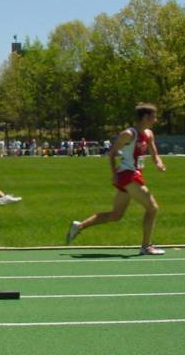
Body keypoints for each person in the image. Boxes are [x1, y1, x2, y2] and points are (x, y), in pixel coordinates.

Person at [66, 103, 166, 255]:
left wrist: (159, 163)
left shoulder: (149, 134)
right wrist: (114, 173)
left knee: (116, 215)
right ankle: (146, 246)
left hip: (134, 174)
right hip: (128, 175)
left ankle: (79, 226)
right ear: (145, 117)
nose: (156, 120)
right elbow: (112, 153)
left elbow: (154, 153)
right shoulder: (128, 134)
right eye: (154, 116)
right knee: (152, 208)